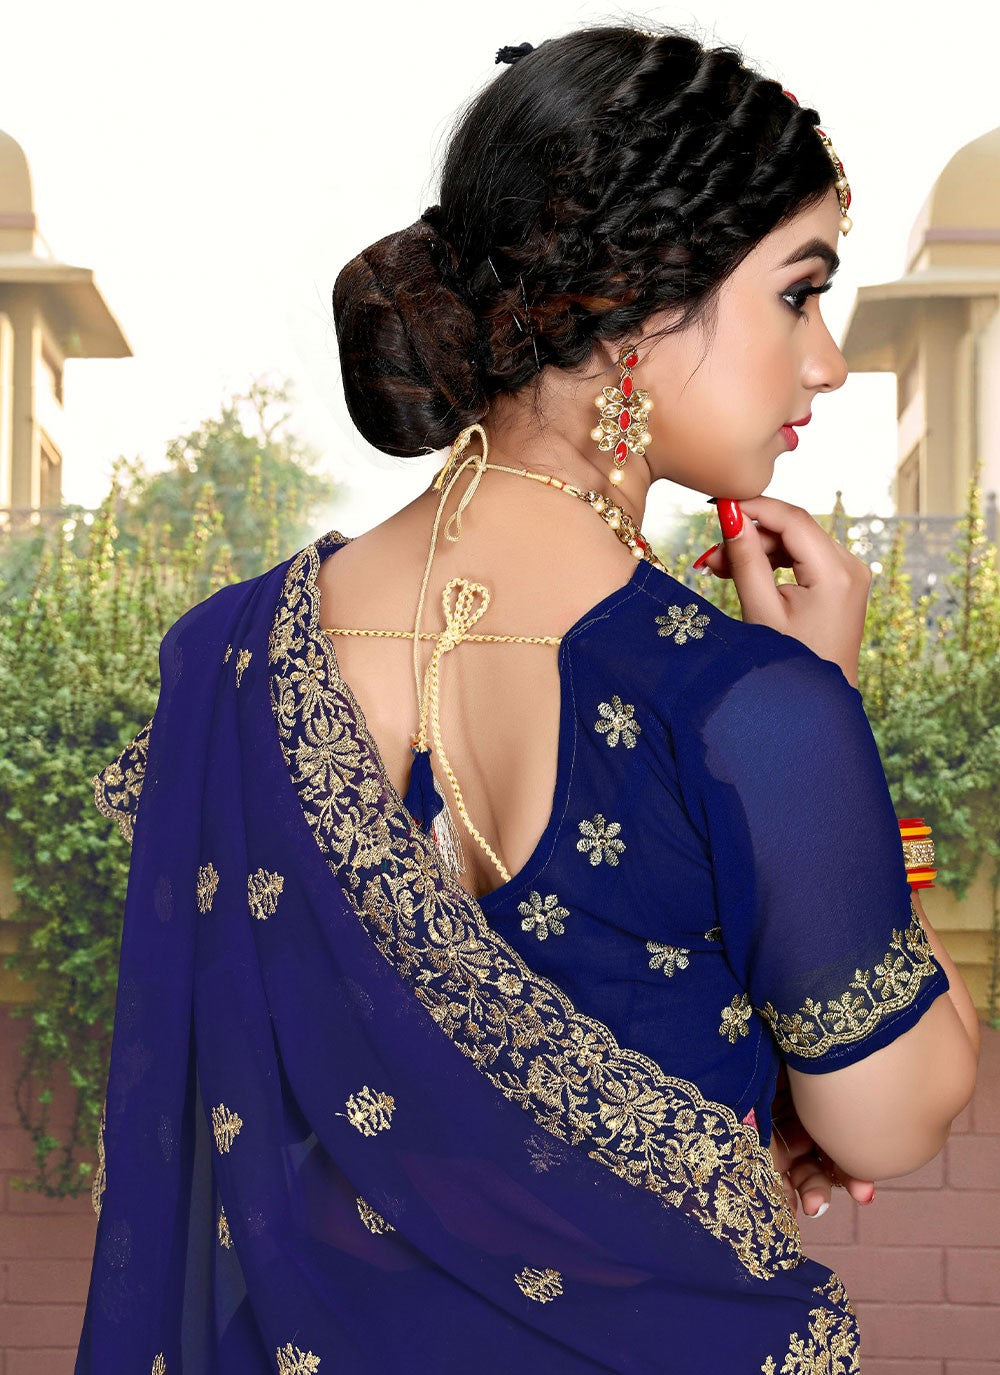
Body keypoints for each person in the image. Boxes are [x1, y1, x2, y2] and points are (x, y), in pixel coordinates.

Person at [76, 23, 980, 1374]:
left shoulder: (226, 656)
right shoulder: (749, 707)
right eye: (800, 292)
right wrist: (828, 716)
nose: (829, 362)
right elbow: (888, 1117)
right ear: (634, 300)